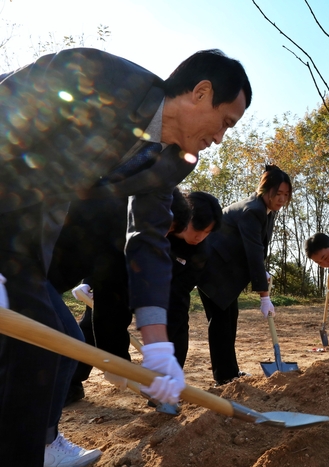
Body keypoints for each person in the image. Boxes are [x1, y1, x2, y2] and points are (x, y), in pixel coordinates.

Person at [0, 47, 251, 467]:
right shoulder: (96, 76)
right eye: (225, 122)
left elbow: (148, 240)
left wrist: (157, 346)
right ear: (201, 92)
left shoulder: (175, 160)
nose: (221, 137)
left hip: (27, 235)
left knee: (45, 345)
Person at [53, 187, 193, 406]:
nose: (162, 237)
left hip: (43, 277)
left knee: (68, 344)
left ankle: (47, 433)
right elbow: (111, 304)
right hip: (25, 271)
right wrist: (117, 361)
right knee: (61, 351)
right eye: (165, 229)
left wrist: (120, 360)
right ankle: (43, 435)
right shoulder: (119, 227)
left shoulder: (120, 209)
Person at [197, 165, 291, 386]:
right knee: (221, 322)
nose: (282, 199)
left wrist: (262, 270)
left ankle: (230, 372)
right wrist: (264, 296)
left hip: (225, 271)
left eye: (286, 195)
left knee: (230, 319)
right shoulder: (253, 210)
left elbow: (257, 249)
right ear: (265, 189)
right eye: (278, 193)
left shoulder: (267, 211)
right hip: (212, 269)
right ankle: (224, 376)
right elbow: (253, 252)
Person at [167, 191, 223, 367]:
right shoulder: (158, 224)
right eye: (198, 229)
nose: (200, 237)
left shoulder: (200, 252)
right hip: (130, 284)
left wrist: (162, 339)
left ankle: (169, 384)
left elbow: (178, 293)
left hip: (169, 293)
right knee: (97, 319)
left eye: (207, 232)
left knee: (179, 327)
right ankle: (78, 378)